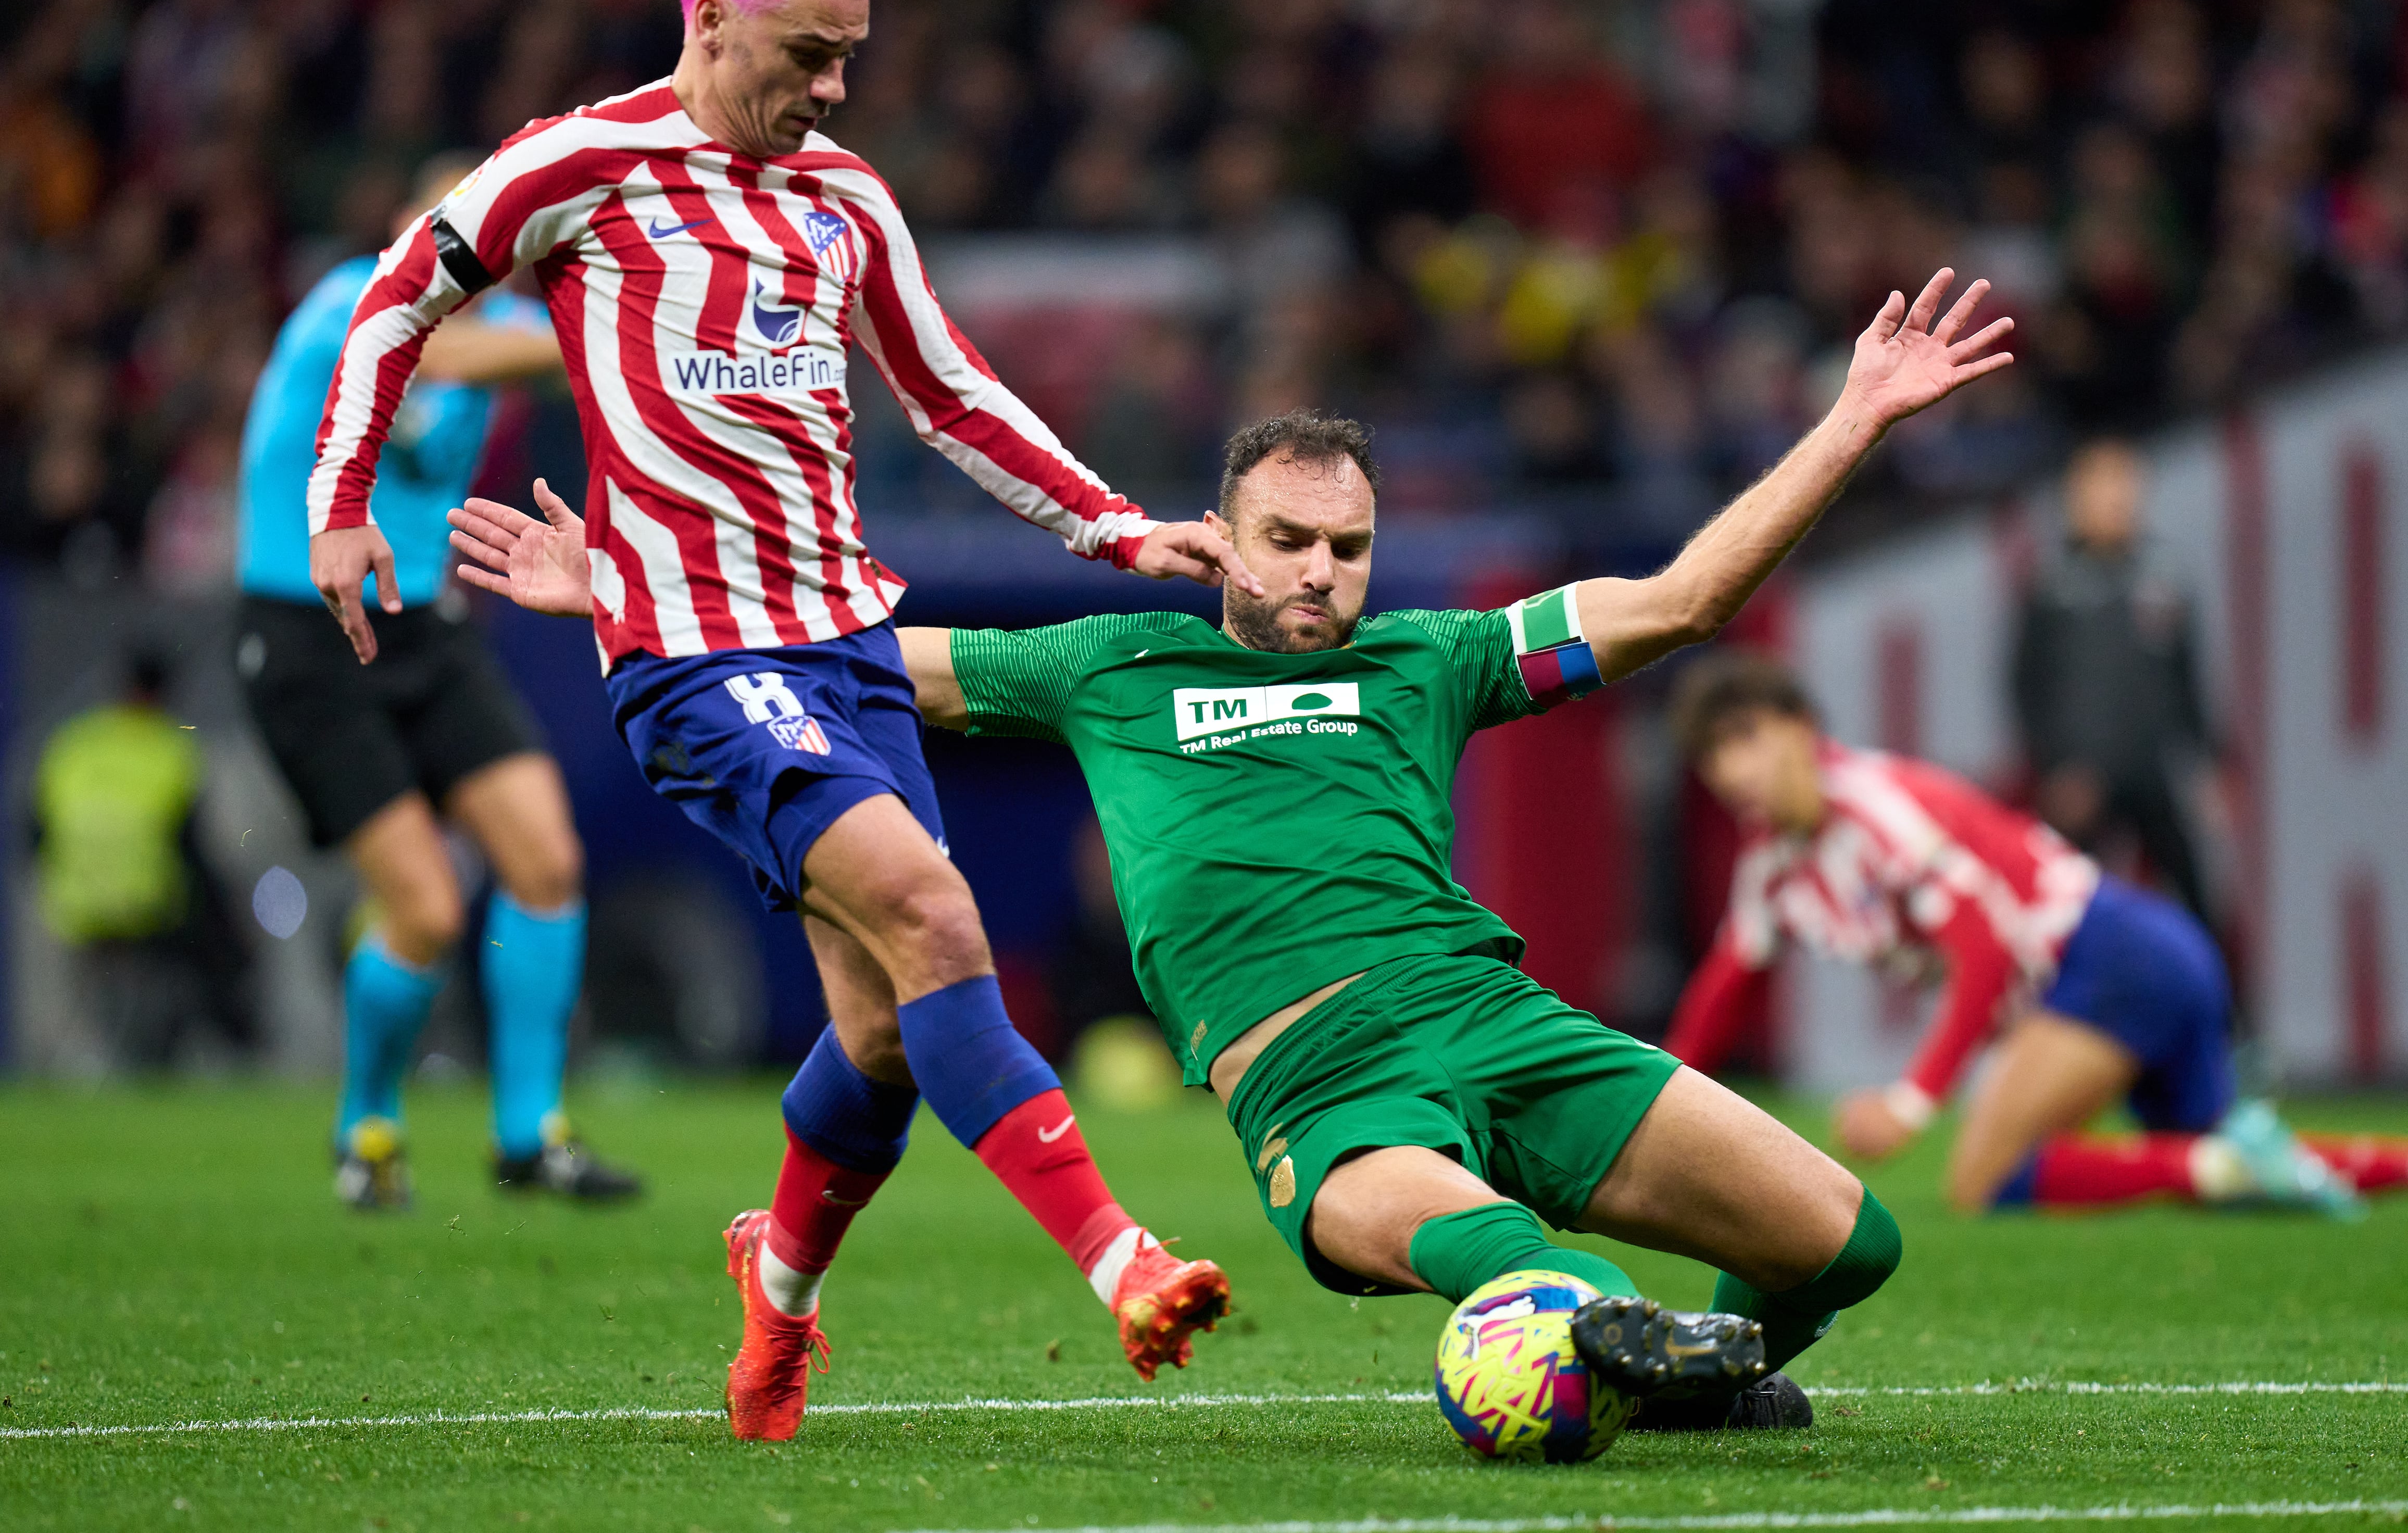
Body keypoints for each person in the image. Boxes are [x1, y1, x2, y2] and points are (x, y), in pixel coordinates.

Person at [454, 266, 2024, 1432]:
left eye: (1347, 546)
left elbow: (1679, 599)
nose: (1322, 574)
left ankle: (1687, 1381)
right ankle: (1599, 1338)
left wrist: (1850, 420)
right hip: (1326, 1090)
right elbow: (851, 654)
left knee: (1847, 1242)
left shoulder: (1434, 658)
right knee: (1507, 1253)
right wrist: (625, 592)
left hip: (1503, 1025)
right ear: (1223, 535)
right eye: (1288, 540)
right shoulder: (1113, 663)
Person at [308, 0, 1251, 1440]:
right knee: (939, 914)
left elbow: (948, 394)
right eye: (807, 56)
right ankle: (1123, 1259)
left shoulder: (846, 198)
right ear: (708, 22)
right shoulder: (580, 166)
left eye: (848, 60)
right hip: (691, 654)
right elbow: (400, 291)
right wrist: (338, 507)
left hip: (847, 642)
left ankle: (781, 1286)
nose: (829, 88)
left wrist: (1115, 528)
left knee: (881, 1028)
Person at [1659, 653, 2408, 1223]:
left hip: (2111, 956)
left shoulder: (1876, 809)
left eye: (1747, 739)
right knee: (2218, 1168)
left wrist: (1914, 1098)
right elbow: (1724, 988)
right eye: (1714, 755)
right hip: (2140, 953)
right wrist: (1651, 1103)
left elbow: (1990, 949)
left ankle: (2235, 1157)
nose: (1733, 769)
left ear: (1803, 731)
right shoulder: (1776, 862)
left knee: (1983, 1174)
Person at [236, 156, 633, 1211]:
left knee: (545, 858)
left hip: (428, 628)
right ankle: (365, 1128)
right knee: (424, 903)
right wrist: (603, 331)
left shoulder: (484, 343)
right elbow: (446, 346)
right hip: (307, 628)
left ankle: (529, 1135)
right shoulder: (350, 303)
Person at [2010, 438, 2214, 926]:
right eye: (2102, 486)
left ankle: (2222, 1002)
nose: (2117, 499)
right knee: (2062, 908)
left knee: (2196, 900)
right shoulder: (2053, 586)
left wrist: (2209, 758)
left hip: (2153, 769)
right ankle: (2057, 1003)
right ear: (2073, 498)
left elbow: (2187, 678)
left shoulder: (2163, 576)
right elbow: (2026, 687)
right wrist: (2056, 768)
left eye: (2125, 484)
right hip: (2083, 776)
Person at [33, 647, 252, 1067]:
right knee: (208, 959)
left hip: (74, 907)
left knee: (95, 1002)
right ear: (164, 693)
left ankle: (78, 1062)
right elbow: (190, 847)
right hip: (147, 907)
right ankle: (220, 1051)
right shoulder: (170, 749)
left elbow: (36, 832)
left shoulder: (73, 744)